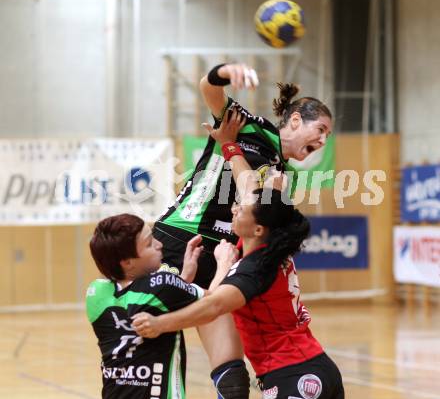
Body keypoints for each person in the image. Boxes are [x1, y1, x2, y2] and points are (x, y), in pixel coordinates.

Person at [153, 63, 333, 398]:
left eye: (327, 136)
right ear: (295, 120)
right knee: (151, 350)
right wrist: (226, 71)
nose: (323, 139)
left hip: (222, 254)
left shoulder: (282, 176)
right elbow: (209, 89)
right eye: (320, 129)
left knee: (233, 380)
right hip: (181, 238)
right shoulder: (251, 126)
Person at [132, 141, 344, 398]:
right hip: (313, 366)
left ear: (257, 229)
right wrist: (229, 145)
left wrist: (160, 324)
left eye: (240, 209)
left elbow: (212, 307)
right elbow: (249, 189)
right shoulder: (265, 245)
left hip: (293, 375)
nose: (234, 208)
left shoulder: (253, 268)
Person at [86, 213, 234, 399]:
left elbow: (148, 301)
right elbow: (214, 303)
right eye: (149, 243)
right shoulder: (162, 284)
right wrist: (224, 264)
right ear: (127, 262)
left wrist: (184, 279)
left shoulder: (95, 293)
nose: (159, 244)